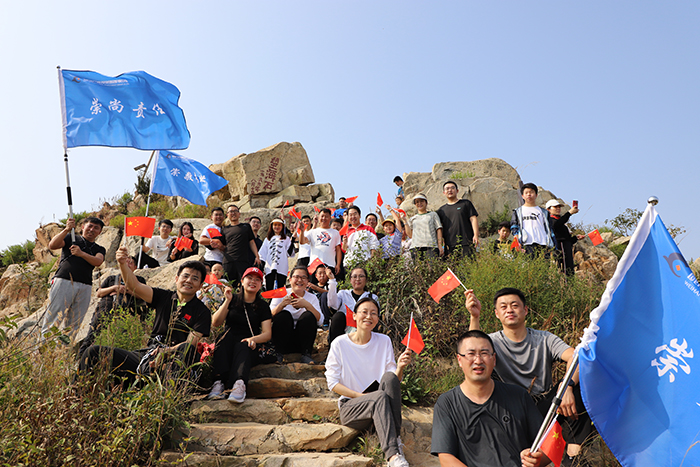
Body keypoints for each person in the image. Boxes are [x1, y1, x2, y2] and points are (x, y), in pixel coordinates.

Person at [466, 287, 594, 466]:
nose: (509, 310)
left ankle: (574, 457)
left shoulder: (544, 339)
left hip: (544, 406)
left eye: (514, 305)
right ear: (496, 314)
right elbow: (472, 353)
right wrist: (474, 317)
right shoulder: (491, 342)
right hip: (509, 408)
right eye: (503, 307)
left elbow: (577, 357)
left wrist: (567, 386)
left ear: (525, 310)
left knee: (584, 382)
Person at [79, 247, 211, 385]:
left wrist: (166, 351)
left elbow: (190, 343)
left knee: (186, 350)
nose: (189, 281)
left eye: (195, 278)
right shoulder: (164, 296)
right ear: (177, 279)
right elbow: (134, 286)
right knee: (93, 352)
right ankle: (78, 390)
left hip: (175, 357)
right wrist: (122, 264)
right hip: (148, 353)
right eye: (185, 276)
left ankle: (165, 393)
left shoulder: (202, 311)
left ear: (200, 285)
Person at [431, 330, 547, 467]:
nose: (478, 360)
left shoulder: (518, 396)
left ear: (494, 359)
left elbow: (547, 446)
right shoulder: (447, 403)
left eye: (484, 353)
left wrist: (536, 459)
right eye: (471, 354)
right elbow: (446, 458)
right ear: (459, 360)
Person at [325, 297, 413, 467]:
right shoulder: (339, 343)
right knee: (379, 396)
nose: (368, 316)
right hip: (351, 407)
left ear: (378, 319)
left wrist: (400, 367)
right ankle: (393, 456)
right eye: (364, 312)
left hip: (380, 405)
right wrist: (361, 396)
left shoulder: (384, 341)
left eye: (373, 313)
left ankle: (396, 442)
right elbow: (332, 383)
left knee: (389, 378)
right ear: (354, 316)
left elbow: (393, 382)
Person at [207, 267, 272, 402]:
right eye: (249, 278)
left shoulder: (263, 306)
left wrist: (253, 339)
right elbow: (216, 322)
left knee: (243, 345)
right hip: (229, 341)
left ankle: (239, 384)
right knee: (223, 339)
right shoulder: (232, 299)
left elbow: (267, 334)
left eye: (257, 280)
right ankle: (218, 382)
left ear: (261, 284)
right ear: (242, 281)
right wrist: (227, 300)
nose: (253, 282)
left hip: (250, 344)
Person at [41, 217, 106, 342]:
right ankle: (43, 349)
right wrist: (66, 229)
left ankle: (64, 350)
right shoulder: (71, 238)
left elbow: (98, 261)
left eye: (96, 228)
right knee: (53, 317)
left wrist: (81, 254)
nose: (92, 229)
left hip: (85, 285)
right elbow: (53, 245)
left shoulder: (99, 249)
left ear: (100, 232)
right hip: (64, 280)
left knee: (75, 323)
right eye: (90, 226)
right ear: (83, 227)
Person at [78, 255, 148, 357]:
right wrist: (114, 288)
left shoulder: (139, 280)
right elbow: (99, 293)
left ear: (135, 267)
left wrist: (126, 290)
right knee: (93, 334)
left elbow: (144, 295)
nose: (128, 264)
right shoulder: (112, 278)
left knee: (123, 337)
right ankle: (81, 358)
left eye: (131, 263)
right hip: (106, 307)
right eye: (126, 262)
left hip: (127, 312)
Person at [269, 266, 323, 364]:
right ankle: (277, 354)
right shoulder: (280, 293)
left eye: (303, 277)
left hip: (301, 341)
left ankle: (306, 354)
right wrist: (281, 305)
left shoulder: (312, 298)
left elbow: (320, 321)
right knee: (284, 315)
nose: (299, 280)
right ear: (290, 279)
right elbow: (268, 317)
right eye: (296, 277)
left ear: (308, 281)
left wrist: (307, 305)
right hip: (282, 339)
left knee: (308, 316)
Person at [327, 266, 379, 344]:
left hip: (363, 331)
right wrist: (332, 280)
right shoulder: (343, 294)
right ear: (350, 280)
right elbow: (332, 304)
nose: (357, 279)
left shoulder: (372, 297)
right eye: (354, 277)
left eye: (361, 276)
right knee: (338, 316)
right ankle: (334, 346)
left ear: (366, 280)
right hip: (343, 331)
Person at [510, 183, 556, 257]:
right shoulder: (518, 211)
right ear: (522, 196)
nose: (529, 194)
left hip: (543, 244)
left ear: (536, 195)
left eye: (531, 192)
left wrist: (553, 246)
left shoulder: (544, 212)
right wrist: (517, 242)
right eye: (526, 193)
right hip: (526, 244)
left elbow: (549, 229)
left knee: (543, 264)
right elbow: (514, 227)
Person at [222, 205, 261, 288]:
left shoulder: (246, 227)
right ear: (227, 215)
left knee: (243, 285)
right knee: (228, 285)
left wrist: (257, 256)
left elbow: (252, 242)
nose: (233, 213)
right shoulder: (224, 229)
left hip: (243, 261)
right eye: (231, 211)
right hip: (228, 261)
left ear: (239, 214)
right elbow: (222, 245)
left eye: (235, 211)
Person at [437, 181, 479, 258]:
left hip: (466, 242)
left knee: (469, 264)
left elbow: (473, 219)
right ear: (444, 192)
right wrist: (441, 244)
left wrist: (475, 235)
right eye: (447, 189)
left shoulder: (465, 203)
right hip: (450, 245)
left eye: (452, 188)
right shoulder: (441, 210)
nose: (450, 190)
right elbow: (440, 228)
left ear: (457, 191)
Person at [546, 200, 585, 276]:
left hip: (567, 249)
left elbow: (567, 240)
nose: (558, 209)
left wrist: (576, 238)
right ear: (548, 209)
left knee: (569, 269)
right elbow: (557, 224)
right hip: (560, 249)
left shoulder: (562, 223)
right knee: (563, 269)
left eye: (559, 207)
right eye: (555, 207)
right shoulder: (550, 221)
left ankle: (570, 283)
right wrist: (569, 213)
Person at [300, 208, 342, 275]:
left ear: (330, 218)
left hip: (329, 264)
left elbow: (338, 250)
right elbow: (302, 241)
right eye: (322, 216)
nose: (324, 218)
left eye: (326, 216)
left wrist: (338, 264)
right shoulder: (312, 231)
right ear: (319, 217)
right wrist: (302, 231)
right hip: (314, 265)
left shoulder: (335, 232)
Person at [405, 193, 443, 260]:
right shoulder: (412, 219)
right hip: (416, 247)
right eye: (417, 202)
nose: (419, 203)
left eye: (421, 201)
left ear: (426, 202)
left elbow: (439, 229)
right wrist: (404, 221)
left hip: (431, 246)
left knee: (432, 266)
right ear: (415, 204)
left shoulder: (433, 215)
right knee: (418, 266)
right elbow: (410, 235)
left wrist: (440, 245)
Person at [258, 219, 293, 291]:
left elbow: (290, 252)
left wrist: (293, 240)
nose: (277, 227)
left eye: (279, 225)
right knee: (269, 287)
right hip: (270, 266)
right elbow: (262, 253)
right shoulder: (268, 239)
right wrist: (261, 265)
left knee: (281, 287)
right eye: (275, 225)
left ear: (282, 226)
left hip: (282, 266)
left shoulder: (286, 239)